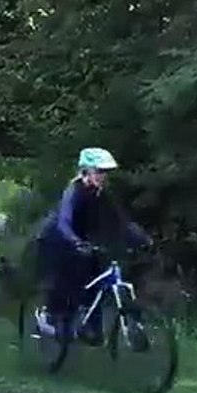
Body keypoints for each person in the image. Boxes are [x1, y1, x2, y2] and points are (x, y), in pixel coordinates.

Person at [34, 147, 152, 344]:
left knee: (95, 277)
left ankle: (91, 327)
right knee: (64, 277)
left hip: (80, 239)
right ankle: (48, 317)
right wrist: (76, 242)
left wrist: (141, 238)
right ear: (86, 171)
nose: (102, 176)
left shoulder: (103, 194)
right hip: (56, 237)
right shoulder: (74, 190)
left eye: (105, 172)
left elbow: (121, 220)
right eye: (98, 171)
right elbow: (64, 222)